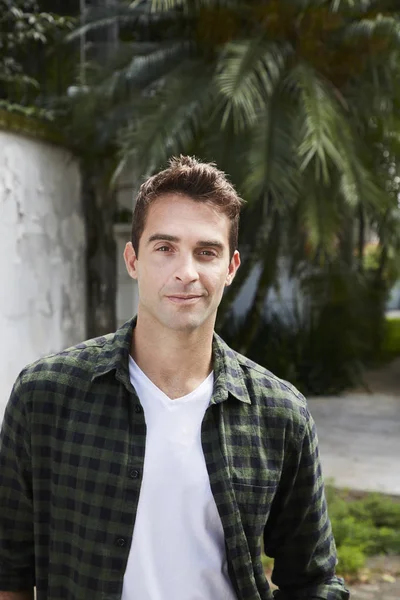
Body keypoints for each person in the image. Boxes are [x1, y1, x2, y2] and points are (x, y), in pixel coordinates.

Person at [0, 155, 349, 600]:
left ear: (231, 268)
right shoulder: (44, 395)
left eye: (206, 252)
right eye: (165, 248)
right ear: (133, 259)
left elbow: (313, 579)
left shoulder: (279, 413)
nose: (186, 271)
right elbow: (8, 570)